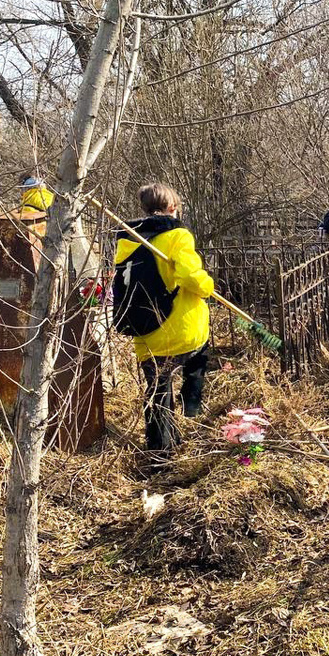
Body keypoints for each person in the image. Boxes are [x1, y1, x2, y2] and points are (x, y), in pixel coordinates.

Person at [114, 183, 214, 458]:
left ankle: (161, 451)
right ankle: (192, 410)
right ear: (173, 207)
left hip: (145, 331)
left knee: (158, 390)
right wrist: (208, 286)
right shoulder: (177, 235)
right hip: (180, 330)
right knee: (198, 358)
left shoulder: (128, 240)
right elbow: (191, 278)